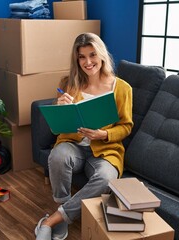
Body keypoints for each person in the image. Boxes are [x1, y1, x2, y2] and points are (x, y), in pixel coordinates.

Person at [34, 32, 133, 240]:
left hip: (105, 151)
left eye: (92, 55)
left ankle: (54, 220)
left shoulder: (122, 88)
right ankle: (62, 207)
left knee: (107, 178)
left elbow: (126, 127)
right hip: (73, 145)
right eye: (82, 57)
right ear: (76, 59)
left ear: (102, 55)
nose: (88, 62)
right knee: (57, 156)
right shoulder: (68, 83)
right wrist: (59, 107)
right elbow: (56, 129)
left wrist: (104, 133)